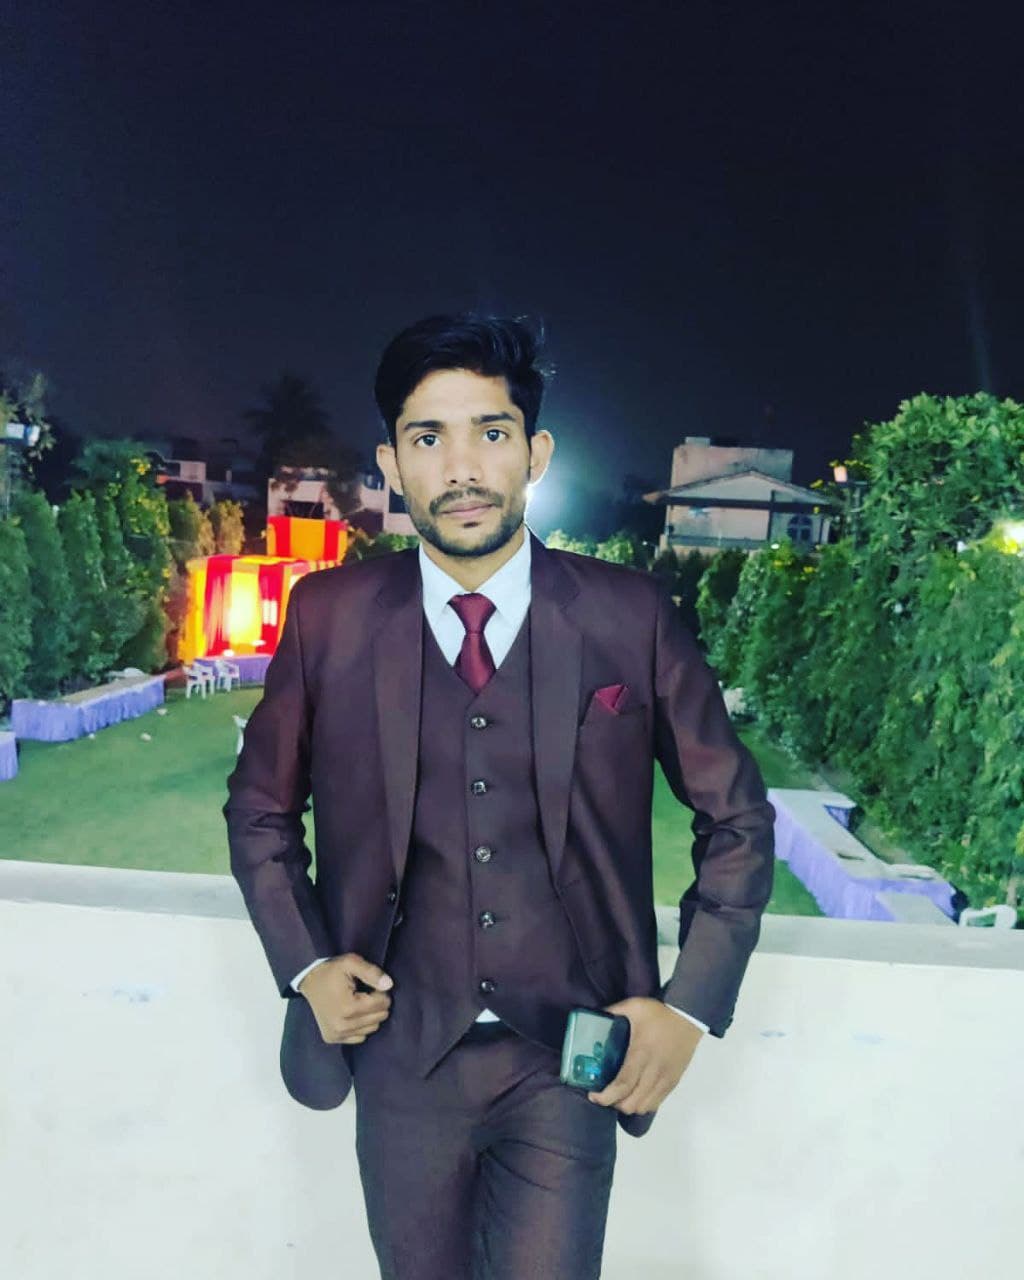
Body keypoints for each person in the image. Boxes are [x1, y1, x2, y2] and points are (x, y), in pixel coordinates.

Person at [224, 313, 776, 1279]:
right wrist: (307, 964)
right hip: (401, 1045)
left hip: (574, 1049)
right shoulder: (329, 618)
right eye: (427, 438)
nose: (462, 466)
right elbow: (259, 811)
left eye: (490, 431)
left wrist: (687, 1009)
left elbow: (737, 818)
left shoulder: (629, 616)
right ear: (392, 464)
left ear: (535, 453)